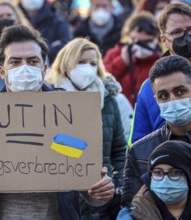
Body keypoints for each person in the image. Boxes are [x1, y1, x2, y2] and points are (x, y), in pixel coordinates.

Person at [0, 24, 115, 219]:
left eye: (32, 61)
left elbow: (88, 185)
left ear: (44, 68)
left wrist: (100, 190)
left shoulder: (71, 112)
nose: (24, 68)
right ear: (1, 71)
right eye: (15, 62)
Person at [46, 37, 127, 219]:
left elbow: (120, 150)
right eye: (81, 62)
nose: (87, 68)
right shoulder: (48, 100)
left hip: (101, 199)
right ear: (66, 65)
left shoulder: (108, 101)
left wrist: (116, 184)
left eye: (92, 63)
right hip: (60, 199)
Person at [121, 55, 191, 207]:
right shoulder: (139, 152)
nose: (172, 100)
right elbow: (129, 209)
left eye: (180, 92)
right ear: (156, 99)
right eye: (163, 95)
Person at [129, 2, 191, 144]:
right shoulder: (149, 88)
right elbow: (137, 146)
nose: (186, 36)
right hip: (165, 164)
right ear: (164, 40)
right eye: (177, 32)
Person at [118, 141, 191, 219]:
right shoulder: (131, 216)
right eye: (158, 172)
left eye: (175, 172)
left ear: (190, 177)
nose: (165, 180)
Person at [104, 11, 162, 106]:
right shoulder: (114, 54)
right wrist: (122, 62)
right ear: (128, 35)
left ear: (156, 40)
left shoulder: (161, 60)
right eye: (135, 40)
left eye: (146, 42)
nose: (139, 46)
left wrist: (154, 58)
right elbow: (103, 82)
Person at [0, 0, 31, 92]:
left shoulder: (33, 45)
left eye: (9, 15)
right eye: (0, 16)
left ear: (17, 18)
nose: (5, 19)